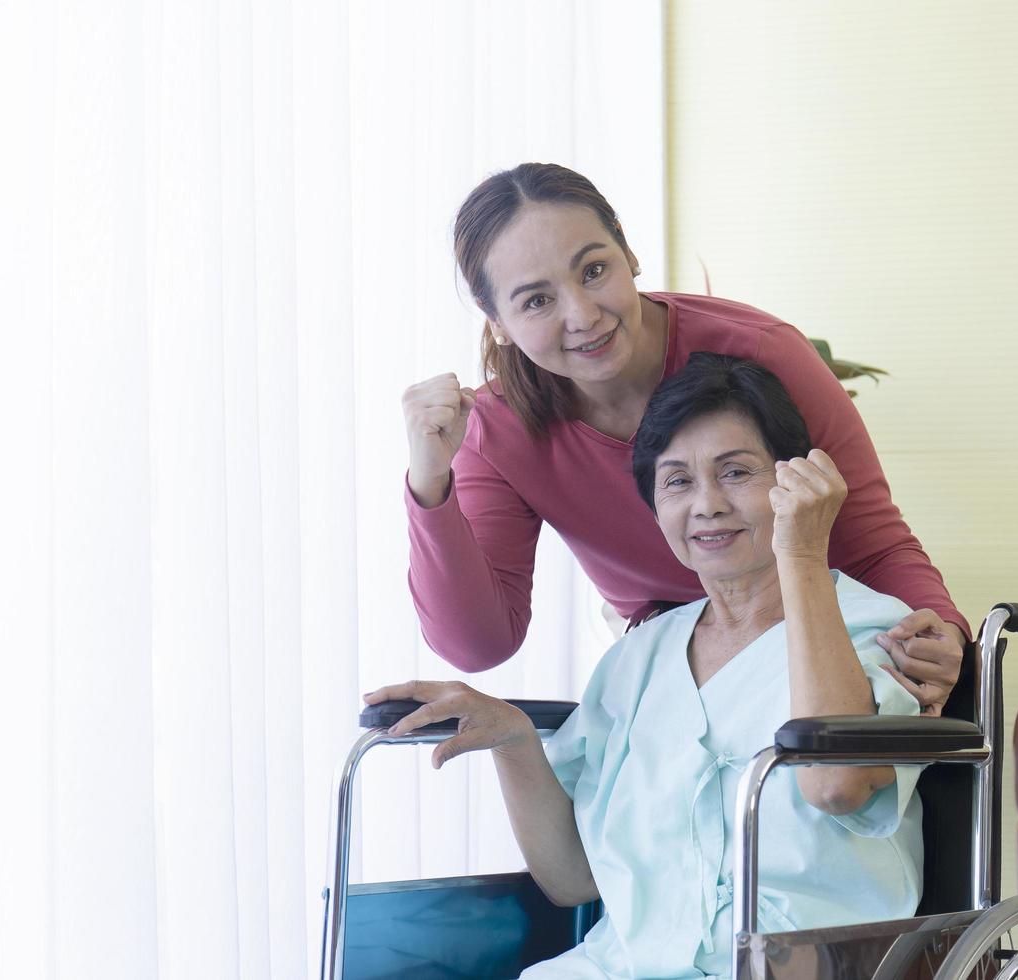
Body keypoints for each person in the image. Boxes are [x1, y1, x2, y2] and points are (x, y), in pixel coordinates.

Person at [369, 354, 926, 979]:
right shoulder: (639, 659)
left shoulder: (874, 627)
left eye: (736, 472)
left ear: (794, 483)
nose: (708, 505)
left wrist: (799, 547)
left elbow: (837, 786)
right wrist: (513, 738)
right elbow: (571, 880)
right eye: (677, 482)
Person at [405, 162, 969, 713]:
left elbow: (873, 542)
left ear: (628, 252)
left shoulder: (761, 353)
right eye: (536, 300)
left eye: (595, 270)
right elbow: (479, 645)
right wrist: (430, 485)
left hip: (819, 643)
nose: (582, 315)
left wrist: (938, 630)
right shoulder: (497, 429)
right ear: (496, 320)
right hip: (675, 672)